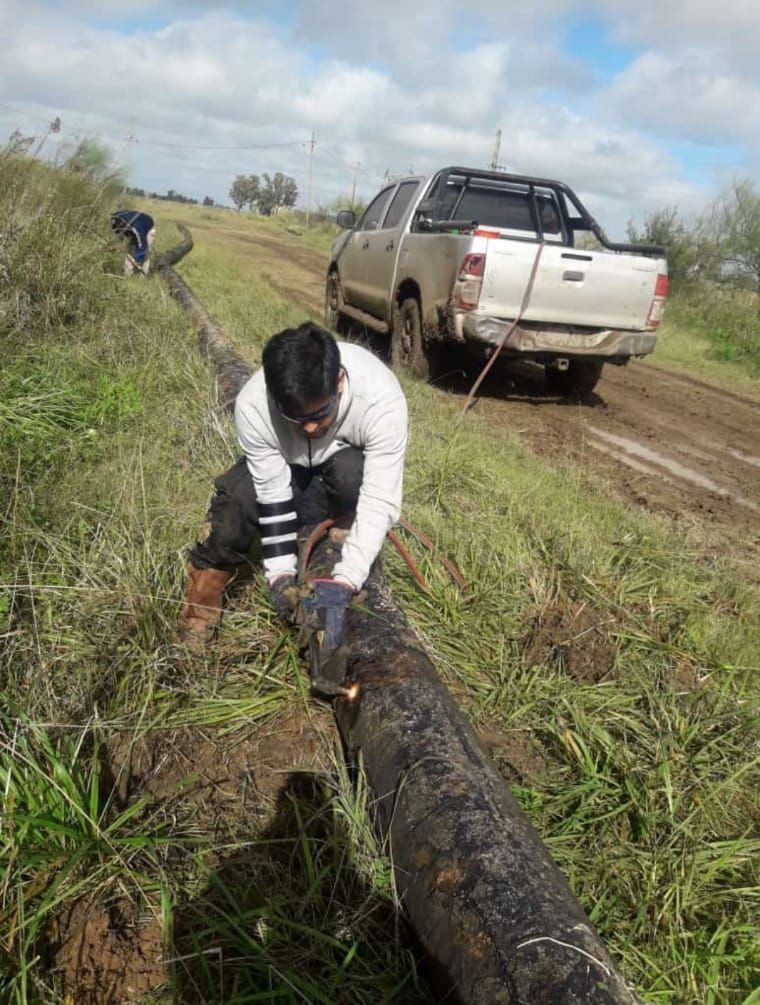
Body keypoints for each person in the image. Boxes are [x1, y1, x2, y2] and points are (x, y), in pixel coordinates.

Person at [177, 322, 409, 647]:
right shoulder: (254, 405)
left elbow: (379, 497)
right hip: (284, 467)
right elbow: (271, 492)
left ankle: (339, 540)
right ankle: (198, 617)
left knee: (353, 473)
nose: (311, 427)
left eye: (321, 415)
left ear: (339, 382)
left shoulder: (380, 400)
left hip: (340, 469)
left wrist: (346, 579)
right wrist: (279, 575)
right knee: (231, 509)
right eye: (297, 420)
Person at [110, 210, 156, 276]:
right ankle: (127, 275)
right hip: (130, 228)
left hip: (147, 229)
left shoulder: (137, 228)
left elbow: (142, 247)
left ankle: (142, 276)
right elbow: (118, 234)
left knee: (144, 254)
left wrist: (136, 261)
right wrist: (116, 245)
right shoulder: (115, 219)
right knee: (130, 252)